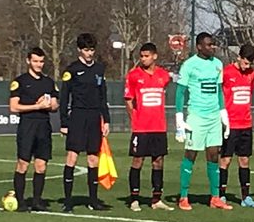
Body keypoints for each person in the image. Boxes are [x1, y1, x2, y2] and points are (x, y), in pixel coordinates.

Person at [174, 32, 231, 211]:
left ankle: (215, 197)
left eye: (213, 44)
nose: (212, 47)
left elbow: (219, 90)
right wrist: (179, 119)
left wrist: (223, 114)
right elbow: (180, 92)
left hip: (214, 117)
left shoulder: (218, 64)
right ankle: (183, 196)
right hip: (196, 117)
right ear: (199, 46)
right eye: (208, 45)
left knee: (214, 155)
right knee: (191, 154)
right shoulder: (189, 65)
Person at [60, 33, 112, 212]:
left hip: (94, 117)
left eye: (91, 50)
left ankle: (93, 200)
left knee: (93, 158)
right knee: (72, 156)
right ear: (79, 50)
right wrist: (64, 122)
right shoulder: (72, 70)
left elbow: (102, 96)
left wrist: (106, 120)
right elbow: (64, 97)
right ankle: (68, 201)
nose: (89, 53)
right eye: (86, 50)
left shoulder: (99, 69)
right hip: (77, 117)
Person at [124, 43, 173, 212]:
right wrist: (134, 120)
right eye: (142, 56)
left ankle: (156, 198)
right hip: (141, 128)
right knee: (138, 160)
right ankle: (134, 199)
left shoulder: (163, 76)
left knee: (158, 161)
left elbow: (168, 83)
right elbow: (128, 99)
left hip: (159, 127)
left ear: (155, 56)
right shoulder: (133, 75)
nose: (143, 59)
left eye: (146, 56)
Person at [9, 47, 59, 212]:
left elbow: (55, 105)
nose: (39, 64)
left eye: (41, 61)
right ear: (28, 61)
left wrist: (50, 105)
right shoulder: (20, 81)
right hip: (27, 125)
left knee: (41, 165)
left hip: (44, 126)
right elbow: (14, 107)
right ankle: (21, 201)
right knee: (23, 163)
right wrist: (36, 106)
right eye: (35, 61)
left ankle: (37, 201)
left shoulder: (49, 82)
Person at [219, 44, 254, 208]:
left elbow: (249, 93)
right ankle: (221, 196)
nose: (247, 66)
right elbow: (220, 93)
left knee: (244, 160)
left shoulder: (252, 74)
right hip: (230, 124)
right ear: (239, 57)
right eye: (245, 62)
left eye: (250, 64)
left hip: (246, 123)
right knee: (226, 160)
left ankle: (246, 197)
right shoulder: (227, 72)